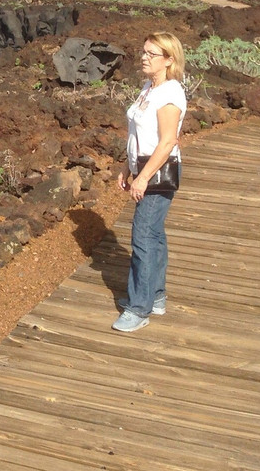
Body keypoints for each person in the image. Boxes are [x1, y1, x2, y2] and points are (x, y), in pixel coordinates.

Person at [113, 31, 187, 333]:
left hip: (159, 171)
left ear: (168, 60)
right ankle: (155, 296)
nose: (144, 57)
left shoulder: (170, 93)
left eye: (151, 54)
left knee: (142, 234)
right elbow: (138, 134)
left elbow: (168, 141)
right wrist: (126, 167)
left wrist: (142, 178)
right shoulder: (148, 87)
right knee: (154, 234)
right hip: (143, 167)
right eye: (143, 51)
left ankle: (138, 308)